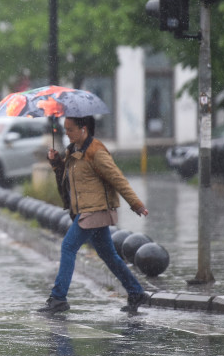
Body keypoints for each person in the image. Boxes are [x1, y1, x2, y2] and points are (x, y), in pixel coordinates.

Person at [38, 115, 150, 314]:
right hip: (84, 210)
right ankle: (136, 292)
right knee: (108, 254)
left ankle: (58, 298)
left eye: (70, 129)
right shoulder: (73, 150)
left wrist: (137, 204)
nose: (67, 133)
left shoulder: (96, 151)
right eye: (65, 130)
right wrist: (56, 163)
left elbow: (118, 179)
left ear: (84, 129)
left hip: (95, 210)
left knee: (68, 247)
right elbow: (67, 179)